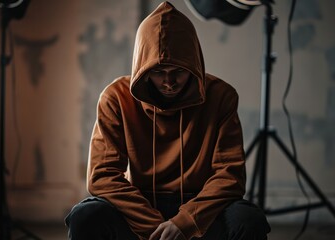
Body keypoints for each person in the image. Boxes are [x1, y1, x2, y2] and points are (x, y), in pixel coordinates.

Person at [65, 1, 270, 240]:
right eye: (158, 72)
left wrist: (186, 222)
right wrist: (158, 226)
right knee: (85, 216)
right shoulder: (115, 98)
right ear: (142, 68)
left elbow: (230, 175)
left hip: (202, 206)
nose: (169, 82)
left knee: (248, 221)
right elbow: (103, 176)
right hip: (139, 205)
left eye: (179, 72)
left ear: (194, 66)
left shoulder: (221, 96)